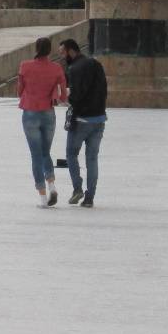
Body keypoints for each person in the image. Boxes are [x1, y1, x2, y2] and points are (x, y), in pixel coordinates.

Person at [17, 36, 67, 208]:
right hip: (48, 113)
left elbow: (19, 90)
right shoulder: (56, 68)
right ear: (50, 49)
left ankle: (43, 198)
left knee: (36, 155)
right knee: (46, 152)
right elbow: (63, 95)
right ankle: (52, 185)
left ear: (36, 48)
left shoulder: (25, 66)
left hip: (30, 112)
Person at [59, 39, 107, 208]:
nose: (62, 56)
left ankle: (77, 188)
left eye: (63, 52)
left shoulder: (74, 68)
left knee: (71, 154)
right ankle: (90, 197)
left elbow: (77, 95)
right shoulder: (96, 64)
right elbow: (103, 89)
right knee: (92, 159)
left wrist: (66, 99)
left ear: (71, 51)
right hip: (99, 119)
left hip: (81, 120)